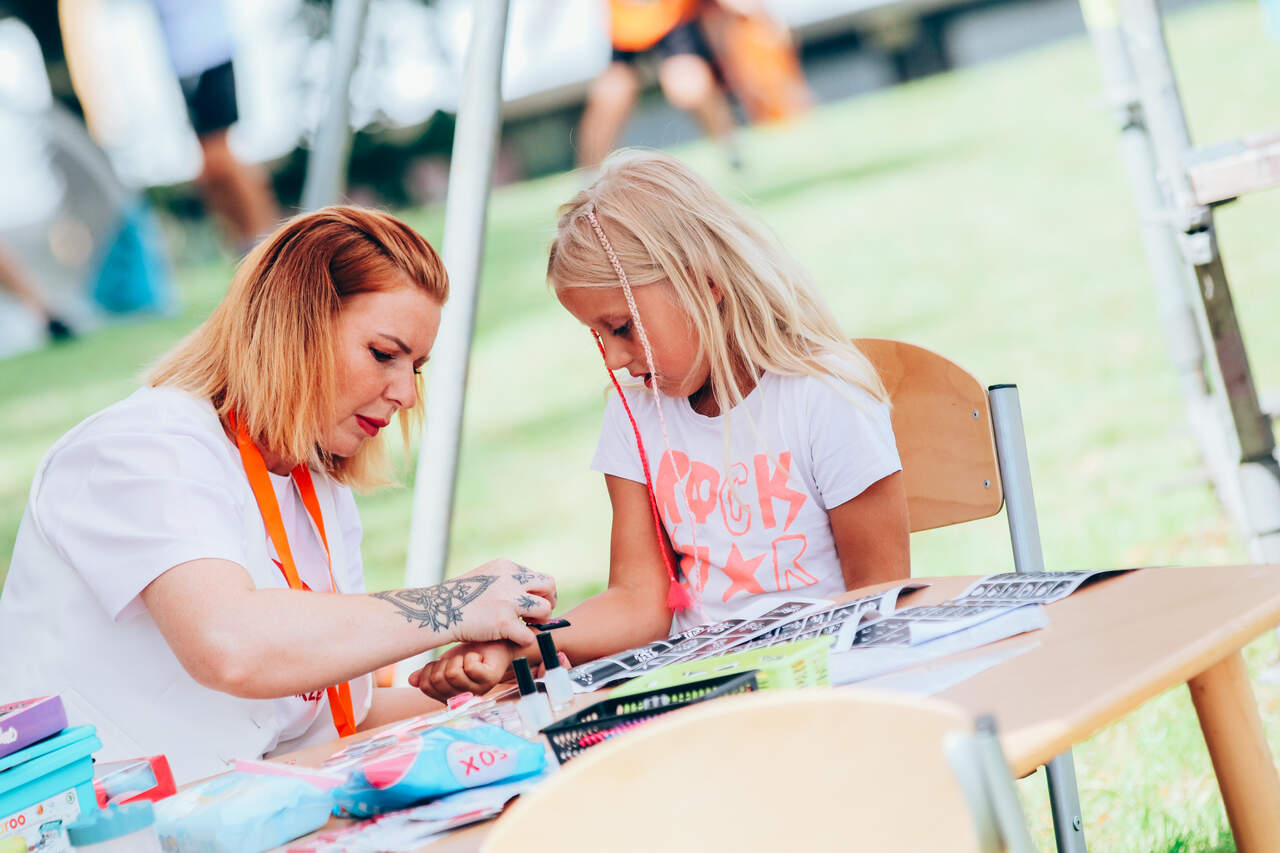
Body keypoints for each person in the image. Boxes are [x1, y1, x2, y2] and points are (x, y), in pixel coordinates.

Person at [0, 207, 557, 783]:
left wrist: (500, 686)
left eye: (415, 367)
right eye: (383, 353)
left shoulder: (313, 481)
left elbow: (333, 724)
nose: (406, 394)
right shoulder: (140, 446)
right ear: (296, 327)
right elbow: (231, 645)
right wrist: (455, 605)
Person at [412, 150, 907, 700]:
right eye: (598, 336)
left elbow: (877, 597)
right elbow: (637, 602)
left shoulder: (825, 395)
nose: (613, 358)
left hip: (822, 686)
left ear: (705, 282)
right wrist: (525, 645)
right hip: (697, 693)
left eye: (621, 327)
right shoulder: (634, 415)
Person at [149, 0, 280, 251]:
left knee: (220, 156)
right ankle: (245, 247)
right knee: (208, 172)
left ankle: (270, 243)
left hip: (209, 53)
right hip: (182, 61)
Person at [577, 0, 739, 172]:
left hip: (672, 20)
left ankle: (729, 146)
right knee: (611, 95)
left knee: (689, 85)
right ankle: (589, 173)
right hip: (626, 29)